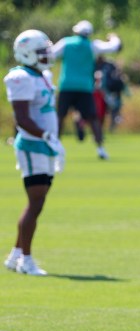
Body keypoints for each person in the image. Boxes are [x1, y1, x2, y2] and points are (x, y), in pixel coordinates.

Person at [4, 30, 66, 276]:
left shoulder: (43, 75)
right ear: (26, 53)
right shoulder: (20, 77)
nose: (46, 55)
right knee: (35, 203)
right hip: (32, 145)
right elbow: (21, 119)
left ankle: (16, 255)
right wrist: (46, 136)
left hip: (45, 145)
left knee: (37, 203)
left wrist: (51, 140)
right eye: (41, 52)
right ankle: (26, 260)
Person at [52, 20, 121, 160]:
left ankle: (55, 148)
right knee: (93, 118)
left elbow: (51, 54)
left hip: (66, 86)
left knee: (60, 117)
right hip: (84, 87)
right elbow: (113, 46)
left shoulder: (66, 42)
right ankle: (101, 149)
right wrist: (113, 37)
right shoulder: (92, 45)